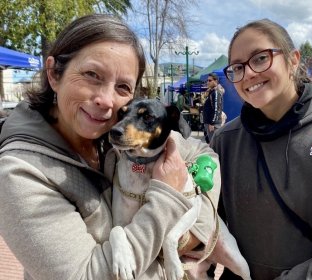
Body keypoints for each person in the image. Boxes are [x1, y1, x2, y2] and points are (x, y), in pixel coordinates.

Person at [0, 14, 220, 280]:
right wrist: (167, 201)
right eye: (92, 75)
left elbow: (205, 155)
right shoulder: (18, 175)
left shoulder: (115, 136)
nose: (106, 100)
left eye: (123, 87)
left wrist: (194, 233)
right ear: (54, 73)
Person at [211, 19, 312, 279]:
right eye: (237, 67)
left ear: (293, 60)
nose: (248, 73)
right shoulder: (224, 141)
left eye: (260, 58)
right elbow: (207, 222)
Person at [202, 73, 224, 143]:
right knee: (211, 144)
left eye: (210, 80)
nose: (207, 82)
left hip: (212, 124)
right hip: (209, 123)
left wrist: (212, 123)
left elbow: (217, 109)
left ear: (216, 81)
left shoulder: (216, 93)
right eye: (207, 81)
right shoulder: (211, 92)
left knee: (214, 145)